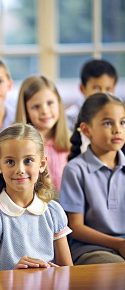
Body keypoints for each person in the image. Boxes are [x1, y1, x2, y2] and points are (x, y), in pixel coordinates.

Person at [0, 122, 73, 271]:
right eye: (10, 162)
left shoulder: (54, 212)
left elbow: (69, 273)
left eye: (28, 161)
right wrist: (15, 276)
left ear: (42, 163)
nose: (19, 169)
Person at [60, 92, 125, 265]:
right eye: (108, 123)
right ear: (87, 130)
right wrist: (119, 244)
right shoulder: (75, 170)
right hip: (91, 249)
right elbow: (76, 228)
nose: (118, 129)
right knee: (118, 271)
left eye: (123, 122)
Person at [15, 75, 70, 191]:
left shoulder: (72, 144)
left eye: (50, 103)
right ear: (25, 110)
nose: (44, 111)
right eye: (36, 106)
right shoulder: (19, 147)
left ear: (59, 104)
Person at [65, 59, 118, 132]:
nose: (102, 93)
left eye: (108, 89)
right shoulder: (70, 117)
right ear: (82, 88)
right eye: (96, 88)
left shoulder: (119, 115)